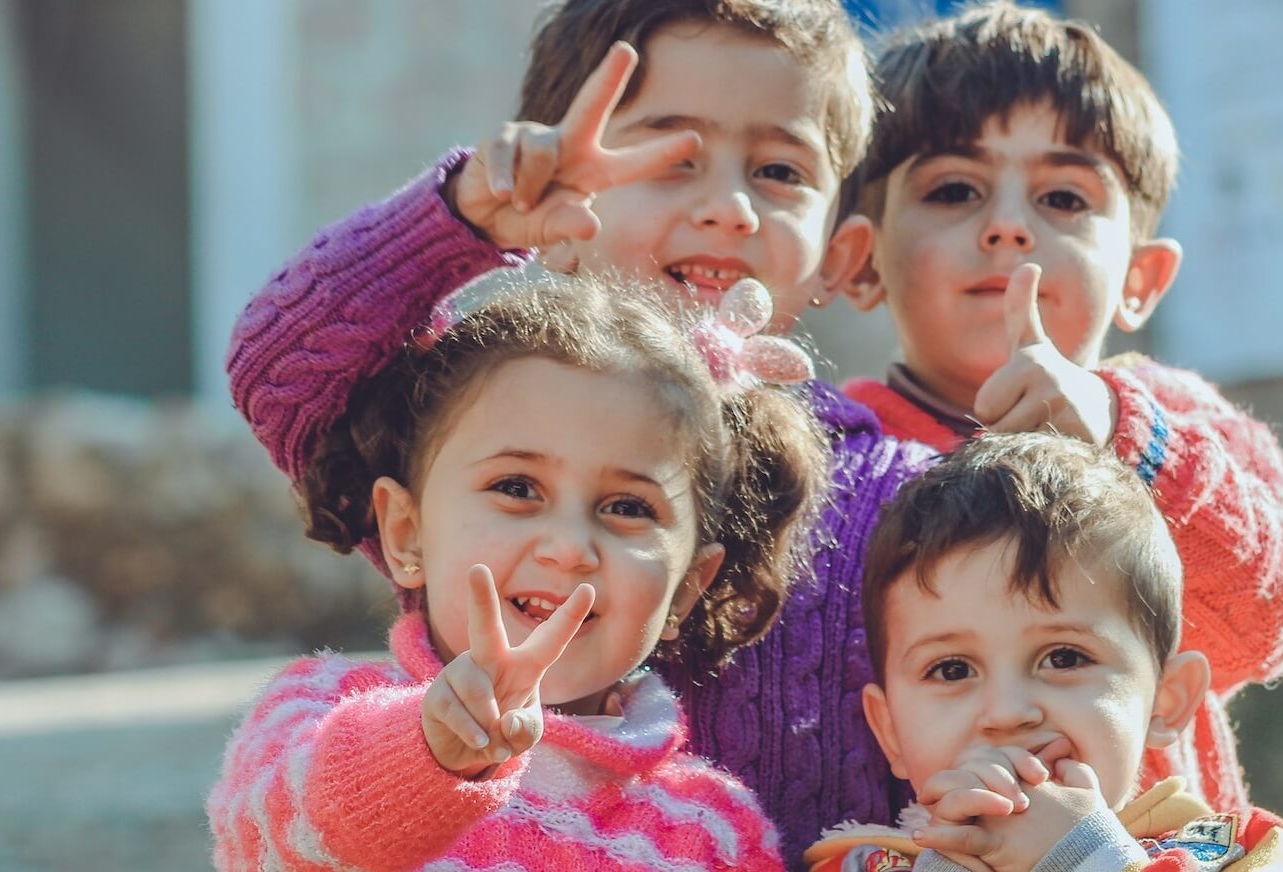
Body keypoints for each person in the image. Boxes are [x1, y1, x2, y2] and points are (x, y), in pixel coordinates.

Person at [223, 1, 940, 857]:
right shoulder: (483, 415)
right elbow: (287, 364)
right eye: (670, 157)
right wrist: (467, 220)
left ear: (841, 253)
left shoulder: (905, 493)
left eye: (780, 172)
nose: (729, 207)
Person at [839, 2, 1283, 809]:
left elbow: (1269, 621)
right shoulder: (832, 459)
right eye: (954, 189)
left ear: (1141, 278)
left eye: (1063, 199)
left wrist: (1119, 434)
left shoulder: (1176, 420)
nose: (1006, 227)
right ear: (857, 260)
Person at [209, 276, 830, 870]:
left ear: (686, 589)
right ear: (405, 532)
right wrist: (433, 751)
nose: (568, 547)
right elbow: (269, 841)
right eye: (516, 487)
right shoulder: (312, 715)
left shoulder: (712, 830)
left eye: (627, 508)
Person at [806, 433, 1283, 871]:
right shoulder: (854, 864)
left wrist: (1086, 858)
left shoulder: (1237, 852)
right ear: (890, 730)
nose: (1007, 713)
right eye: (952, 669)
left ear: (1167, 699)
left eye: (1064, 658)